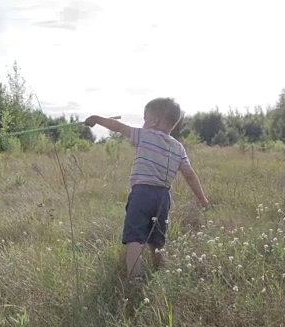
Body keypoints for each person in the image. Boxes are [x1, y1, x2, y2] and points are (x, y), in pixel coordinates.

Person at [84, 97, 209, 284]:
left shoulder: (145, 135)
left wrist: (96, 119)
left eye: (144, 119)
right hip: (163, 197)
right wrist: (203, 200)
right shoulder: (178, 147)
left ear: (154, 121)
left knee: (135, 237)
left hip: (142, 193)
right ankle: (160, 270)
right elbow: (189, 174)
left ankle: (134, 279)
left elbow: (118, 127)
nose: (143, 123)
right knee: (157, 239)